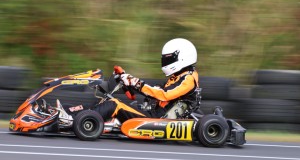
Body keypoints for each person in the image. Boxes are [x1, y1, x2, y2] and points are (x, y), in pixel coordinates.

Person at [65, 38, 199, 124]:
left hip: (157, 119)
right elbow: (155, 90)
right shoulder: (177, 77)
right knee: (108, 100)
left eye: (168, 59)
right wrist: (130, 82)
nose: (165, 62)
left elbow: (164, 94)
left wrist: (137, 83)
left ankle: (82, 121)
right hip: (154, 113)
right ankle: (72, 113)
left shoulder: (188, 80)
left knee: (115, 104)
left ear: (183, 58)